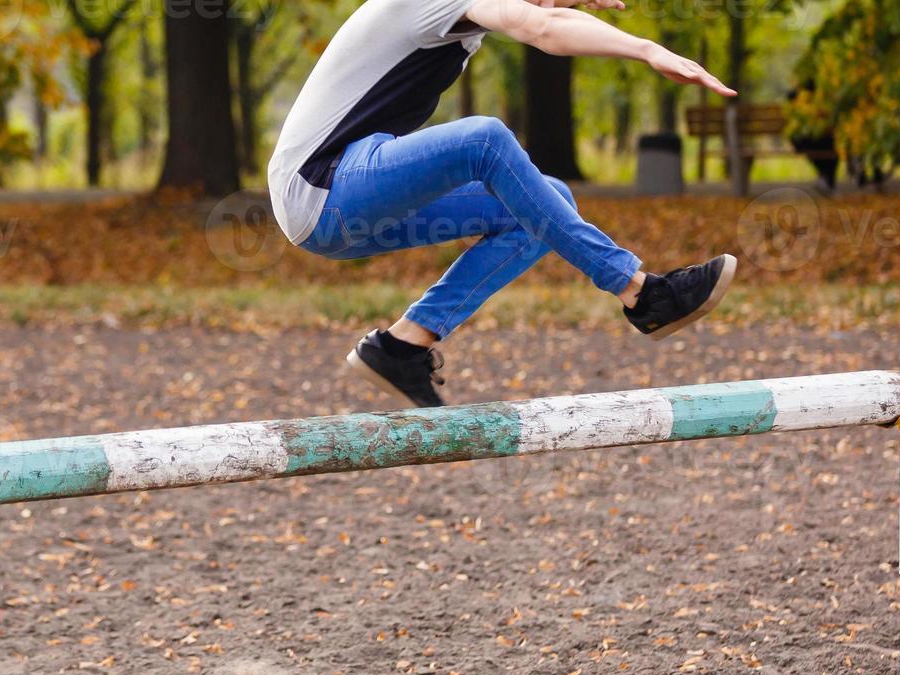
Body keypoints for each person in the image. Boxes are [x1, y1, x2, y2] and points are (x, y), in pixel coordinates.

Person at [268, 0, 740, 408]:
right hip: (322, 189)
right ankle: (642, 292)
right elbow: (542, 29)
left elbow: (542, 20)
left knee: (545, 201)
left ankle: (404, 344)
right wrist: (647, 49)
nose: (550, 7)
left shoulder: (466, 19)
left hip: (345, 212)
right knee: (485, 139)